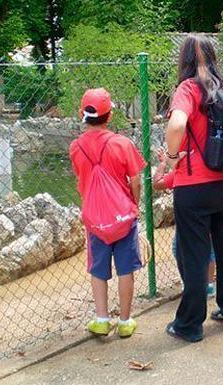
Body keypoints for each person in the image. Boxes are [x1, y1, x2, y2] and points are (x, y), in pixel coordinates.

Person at [164, 35, 223, 343]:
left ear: (183, 60)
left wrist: (173, 158)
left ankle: (189, 324)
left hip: (194, 186)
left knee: (195, 255)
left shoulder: (188, 88)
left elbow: (176, 126)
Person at [69, 88, 145, 338]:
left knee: (98, 269)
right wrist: (132, 205)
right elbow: (136, 180)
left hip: (95, 218)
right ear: (109, 115)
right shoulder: (123, 144)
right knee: (126, 269)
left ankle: (101, 319)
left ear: (82, 113)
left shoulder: (76, 147)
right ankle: (125, 321)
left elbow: (81, 178)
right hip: (123, 216)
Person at [152, 149, 216, 297]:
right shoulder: (206, 164)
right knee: (208, 245)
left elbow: (157, 183)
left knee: (179, 247)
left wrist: (163, 164)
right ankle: (208, 285)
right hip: (210, 205)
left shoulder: (181, 171)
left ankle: (193, 283)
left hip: (187, 214)